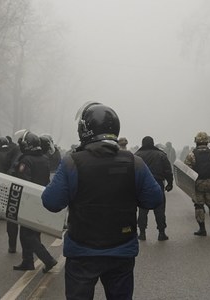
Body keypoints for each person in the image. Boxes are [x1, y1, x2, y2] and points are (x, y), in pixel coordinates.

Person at [42, 102, 163, 299]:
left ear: (84, 130)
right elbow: (154, 199)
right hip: (121, 250)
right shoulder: (134, 162)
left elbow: (51, 202)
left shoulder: (72, 163)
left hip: (82, 251)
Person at [11, 130, 58, 272]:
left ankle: (48, 259)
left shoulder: (26, 160)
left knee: (27, 234)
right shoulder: (44, 158)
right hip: (40, 198)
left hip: (28, 200)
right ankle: (27, 261)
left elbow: (24, 181)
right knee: (32, 232)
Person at [184, 132, 210, 236]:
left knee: (199, 205)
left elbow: (187, 170)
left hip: (198, 183)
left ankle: (202, 229)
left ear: (196, 141)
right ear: (207, 141)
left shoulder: (191, 154)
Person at [135, 136, 174, 241]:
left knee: (143, 210)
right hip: (157, 184)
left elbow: (133, 172)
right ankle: (161, 233)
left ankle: (142, 233)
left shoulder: (137, 156)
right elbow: (167, 171)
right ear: (153, 143)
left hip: (143, 186)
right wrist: (170, 183)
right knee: (160, 209)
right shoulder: (161, 155)